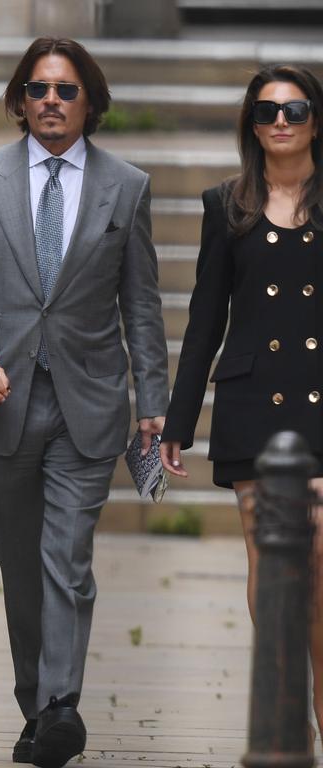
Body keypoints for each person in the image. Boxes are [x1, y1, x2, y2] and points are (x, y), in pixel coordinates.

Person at [0, 37, 169, 768]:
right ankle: (37, 703)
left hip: (89, 403)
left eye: (65, 91)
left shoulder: (126, 186)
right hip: (2, 404)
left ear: (89, 102)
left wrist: (153, 403)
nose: (51, 102)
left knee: (67, 559)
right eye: (38, 89)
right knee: (24, 571)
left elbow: (142, 303)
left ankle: (61, 707)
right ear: (20, 100)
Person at [161, 64, 323, 742]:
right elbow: (205, 320)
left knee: (317, 560)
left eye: (293, 107)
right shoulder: (225, 202)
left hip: (319, 403)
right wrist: (178, 421)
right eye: (266, 111)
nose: (280, 120)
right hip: (253, 401)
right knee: (266, 558)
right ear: (250, 125)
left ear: (316, 116)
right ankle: (287, 710)